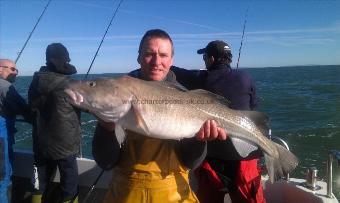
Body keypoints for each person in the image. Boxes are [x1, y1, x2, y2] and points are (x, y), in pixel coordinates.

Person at [92, 29, 227, 203]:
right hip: (125, 194)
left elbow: (191, 163)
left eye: (163, 55)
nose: (156, 62)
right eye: (149, 54)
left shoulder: (187, 97)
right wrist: (106, 128)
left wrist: (198, 140)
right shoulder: (118, 94)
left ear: (171, 60)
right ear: (139, 57)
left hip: (175, 194)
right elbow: (106, 162)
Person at [173, 40, 264, 203]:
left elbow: (175, 72)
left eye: (205, 57)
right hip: (246, 157)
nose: (204, 61)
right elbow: (254, 108)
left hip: (212, 159)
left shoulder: (201, 79)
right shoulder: (246, 77)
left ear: (212, 59)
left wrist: (162, 60)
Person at [28, 43, 81, 203]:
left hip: (41, 143)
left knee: (39, 184)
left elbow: (30, 109)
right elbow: (86, 106)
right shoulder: (68, 84)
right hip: (65, 145)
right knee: (69, 186)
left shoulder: (36, 81)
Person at [0, 59, 31, 202]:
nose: (15, 73)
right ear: (0, 69)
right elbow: (24, 109)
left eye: (16, 70)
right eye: (12, 69)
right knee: (3, 179)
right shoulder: (5, 86)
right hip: (1, 140)